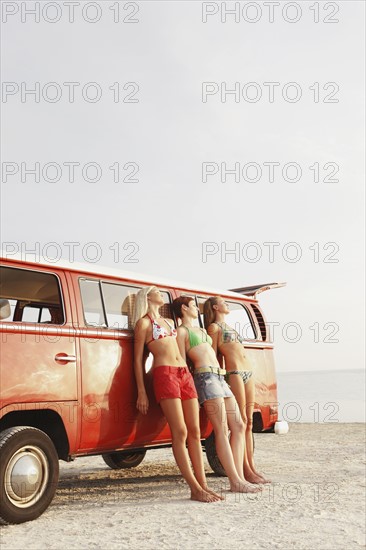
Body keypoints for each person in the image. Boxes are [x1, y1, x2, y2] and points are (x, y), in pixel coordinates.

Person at [132, 286, 222, 503]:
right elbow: (138, 360)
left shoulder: (170, 323)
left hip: (184, 374)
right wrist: (142, 391)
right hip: (165, 374)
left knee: (195, 431)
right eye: (156, 291)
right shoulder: (144, 324)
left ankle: (203, 486)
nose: (160, 293)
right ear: (147, 297)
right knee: (180, 432)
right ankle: (194, 488)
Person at [173, 295, 261, 494]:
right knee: (221, 429)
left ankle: (238, 477)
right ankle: (235, 480)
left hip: (220, 377)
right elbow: (181, 362)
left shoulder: (203, 330)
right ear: (184, 309)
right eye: (194, 306)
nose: (197, 309)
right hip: (205, 378)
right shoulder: (182, 331)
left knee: (238, 425)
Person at [204, 296, 270, 484]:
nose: (226, 304)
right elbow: (214, 356)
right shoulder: (214, 328)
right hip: (234, 374)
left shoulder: (230, 327)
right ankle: (244, 470)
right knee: (239, 422)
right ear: (216, 307)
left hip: (248, 372)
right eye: (223, 302)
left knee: (248, 422)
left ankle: (251, 467)